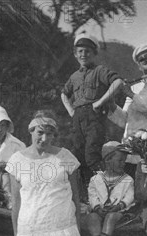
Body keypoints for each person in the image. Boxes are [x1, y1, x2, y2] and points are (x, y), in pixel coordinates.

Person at [61, 33, 123, 179]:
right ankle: (82, 192)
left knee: (92, 155)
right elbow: (64, 94)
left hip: (94, 117)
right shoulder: (74, 76)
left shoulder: (100, 71)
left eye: (88, 51)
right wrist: (71, 111)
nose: (84, 54)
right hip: (78, 118)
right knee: (77, 154)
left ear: (94, 53)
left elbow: (118, 82)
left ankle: (104, 185)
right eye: (80, 51)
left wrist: (100, 102)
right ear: (75, 54)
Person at [85, 141, 134, 236]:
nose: (123, 164)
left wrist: (119, 206)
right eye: (120, 160)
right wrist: (97, 208)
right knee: (92, 217)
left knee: (111, 217)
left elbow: (130, 196)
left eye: (124, 161)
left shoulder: (127, 179)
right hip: (101, 211)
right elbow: (92, 196)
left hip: (119, 212)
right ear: (107, 160)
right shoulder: (96, 179)